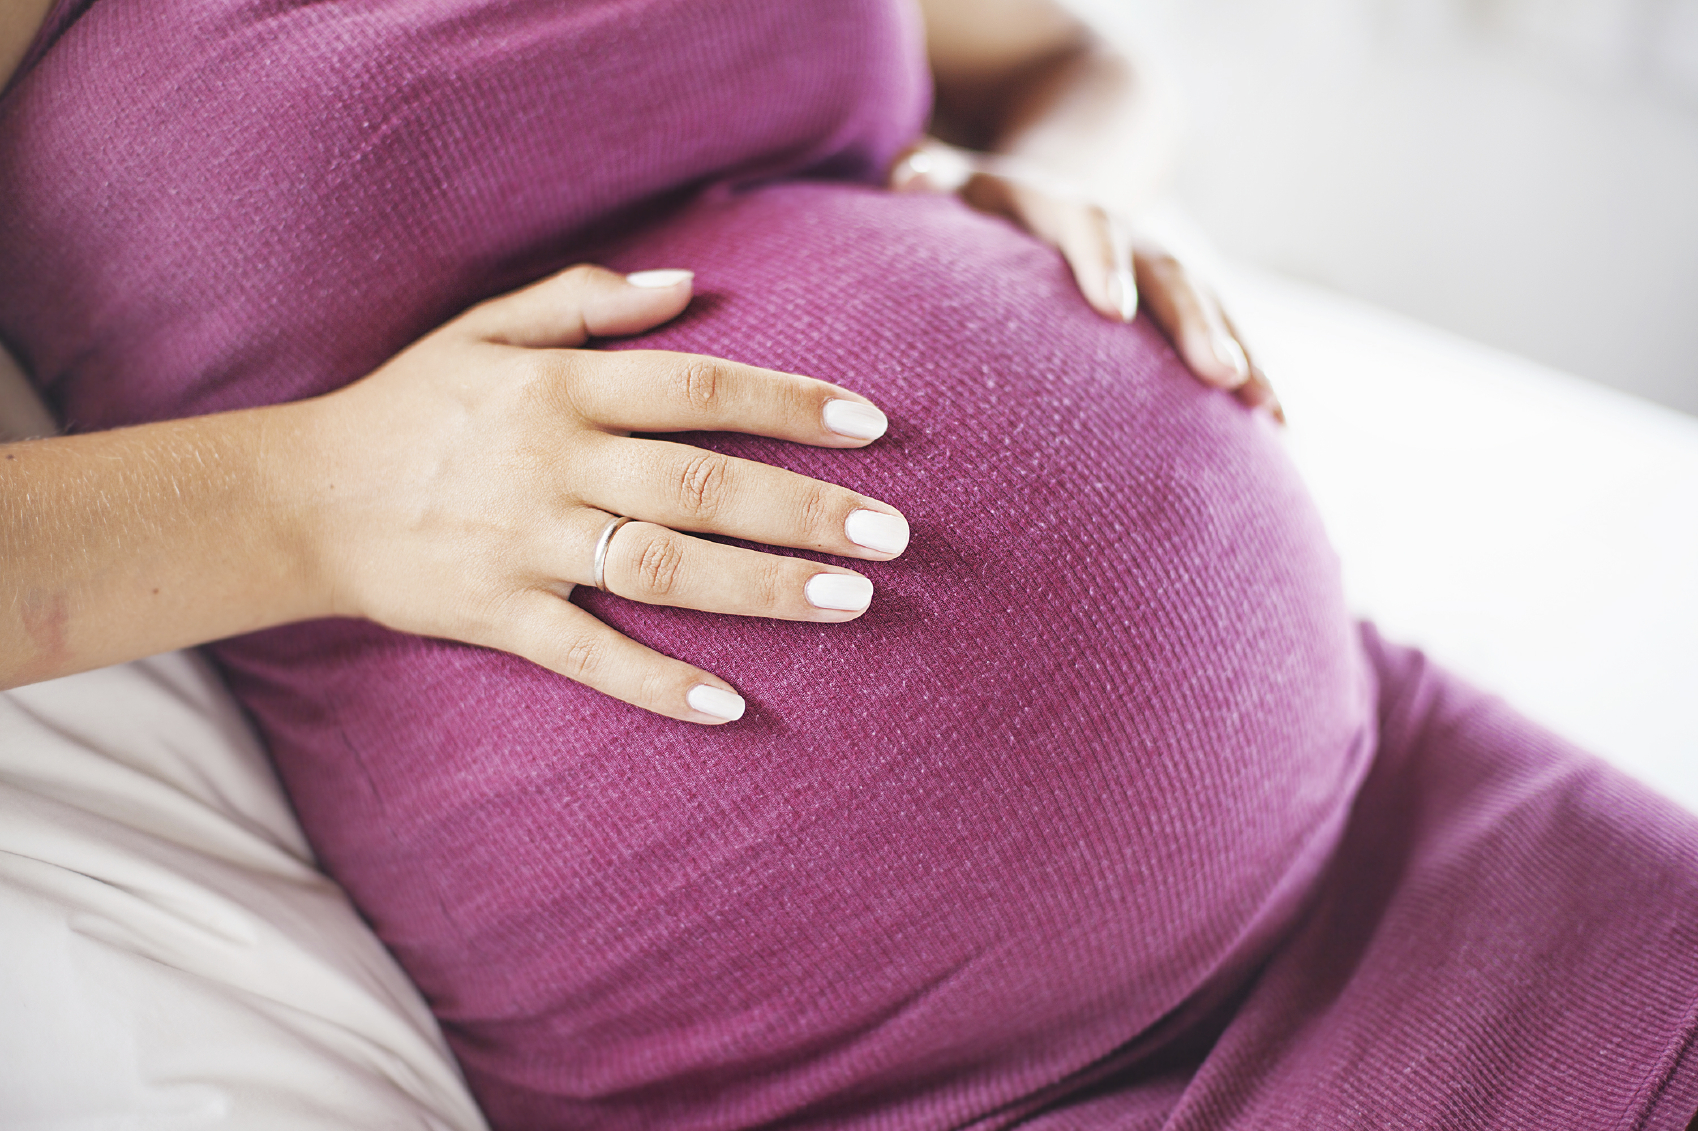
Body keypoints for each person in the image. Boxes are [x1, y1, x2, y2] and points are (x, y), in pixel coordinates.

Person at [3, 1, 1695, 1128]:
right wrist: (328, 493)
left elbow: (1075, 65)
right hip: (883, 1085)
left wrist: (1052, 191)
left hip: (1403, 819)